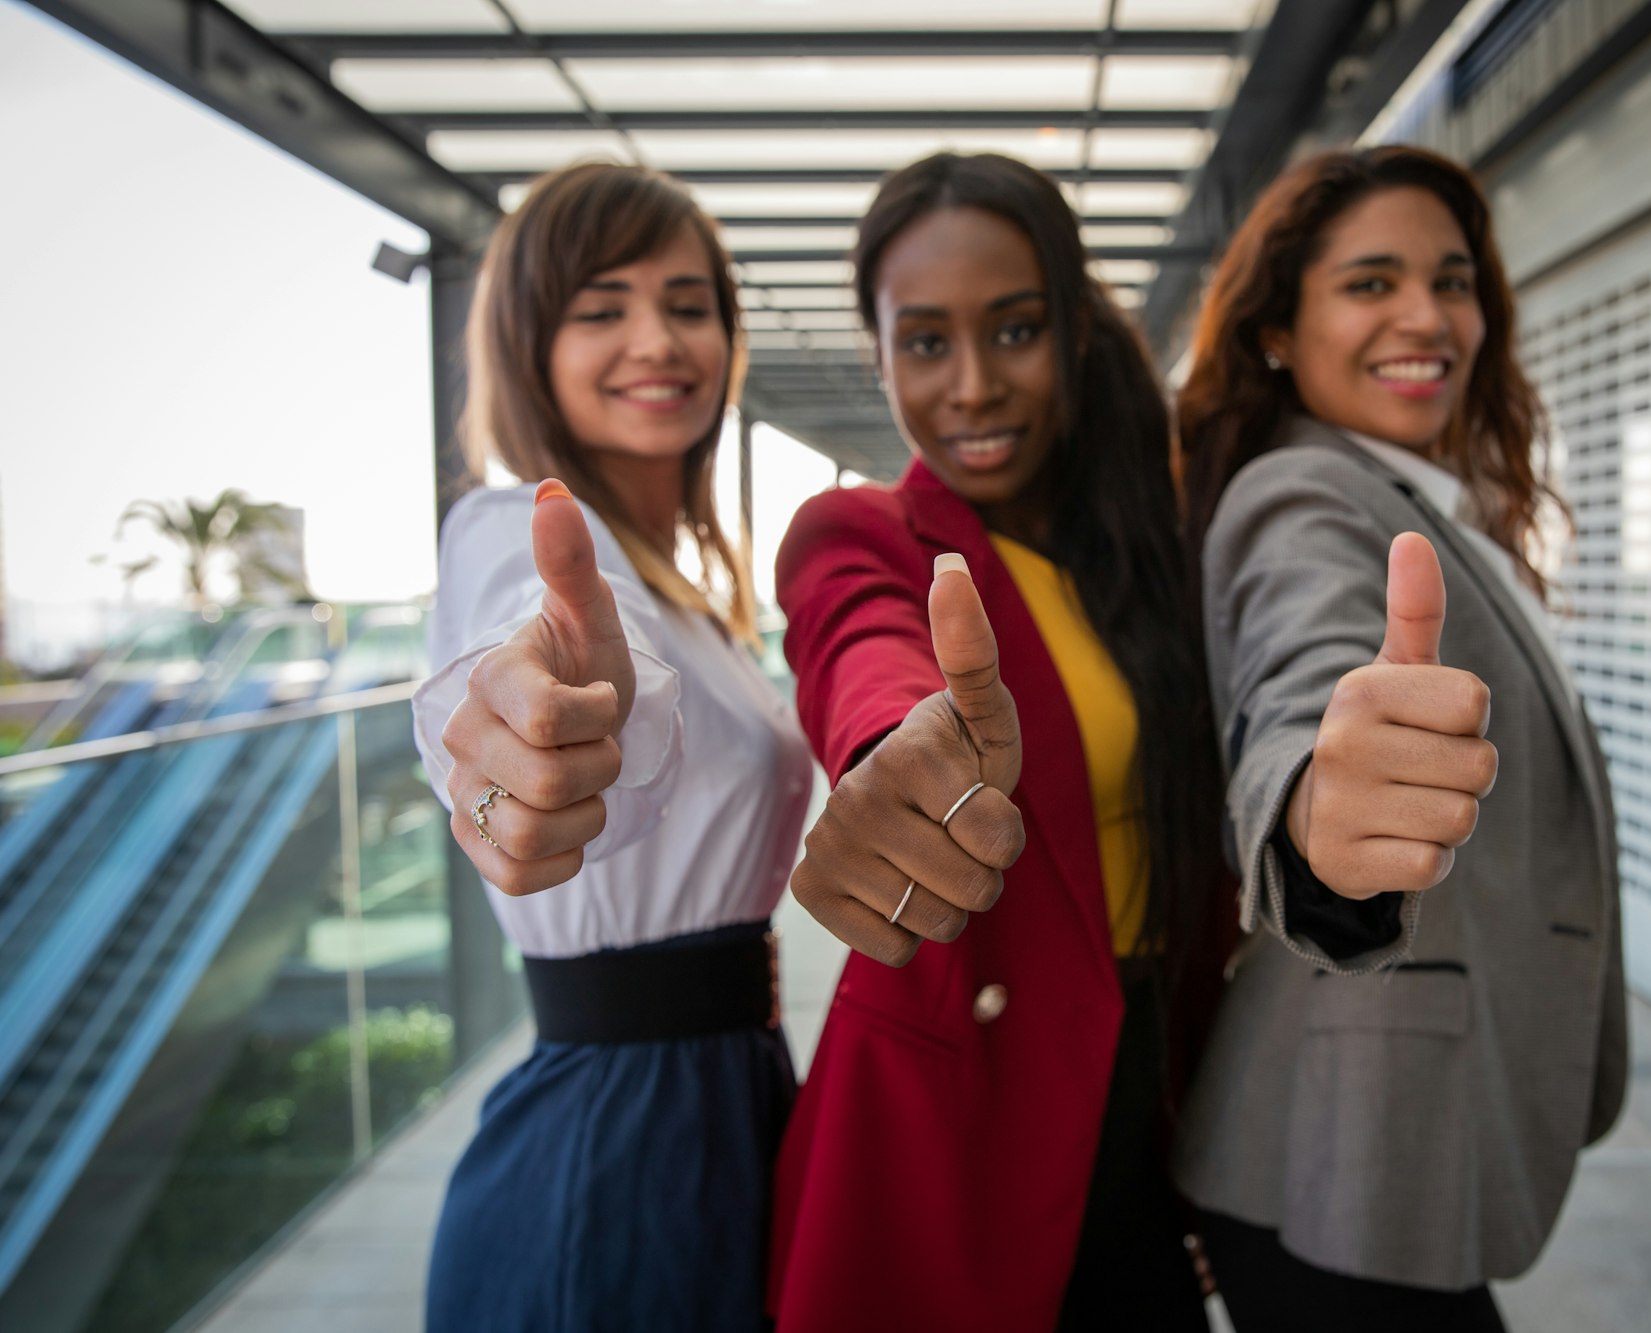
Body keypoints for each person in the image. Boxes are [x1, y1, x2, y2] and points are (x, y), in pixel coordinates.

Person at [1171, 145, 1629, 1331]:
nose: (1426, 314)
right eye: (1369, 282)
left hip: (1388, 1129)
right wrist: (1323, 817)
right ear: (1278, 328)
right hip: (1338, 1143)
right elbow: (1302, 681)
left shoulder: (1418, 495)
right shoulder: (1304, 498)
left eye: (1451, 279)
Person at [767, 152, 1227, 1333]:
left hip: (1139, 1106)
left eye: (1013, 329)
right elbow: (863, 648)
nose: (971, 385)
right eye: (924, 342)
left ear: (1072, 333)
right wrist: (888, 755)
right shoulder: (858, 531)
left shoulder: (1138, 549)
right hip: (958, 1137)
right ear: (877, 352)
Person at [412, 162, 813, 1332]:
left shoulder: (677, 582)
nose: (658, 339)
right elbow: (540, 644)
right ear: (530, 342)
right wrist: (539, 723)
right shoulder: (525, 527)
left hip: (721, 1099)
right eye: (602, 308)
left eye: (689, 305)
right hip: (618, 1145)